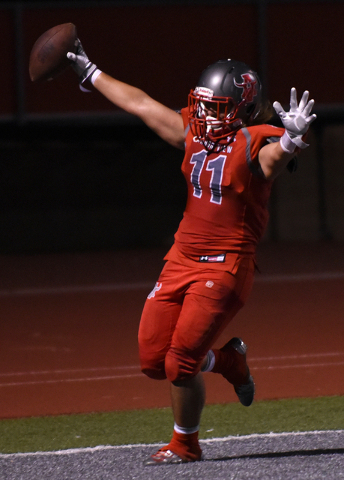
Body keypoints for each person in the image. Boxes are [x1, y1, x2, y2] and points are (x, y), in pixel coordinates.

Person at [67, 41, 316, 465]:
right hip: (181, 257)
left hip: (226, 264)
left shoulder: (254, 140)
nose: (205, 115)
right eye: (203, 105)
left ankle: (186, 444)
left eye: (218, 107)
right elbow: (142, 105)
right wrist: (90, 72)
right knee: (153, 360)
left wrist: (292, 140)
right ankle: (229, 361)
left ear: (244, 110)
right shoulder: (193, 133)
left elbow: (271, 163)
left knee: (180, 362)